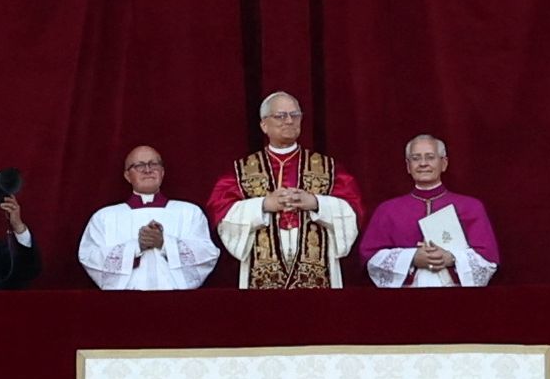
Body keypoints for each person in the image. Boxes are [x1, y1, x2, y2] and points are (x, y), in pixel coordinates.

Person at [209, 93, 359, 290]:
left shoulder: (328, 168)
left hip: (317, 266)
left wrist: (316, 203)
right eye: (280, 116)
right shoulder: (242, 170)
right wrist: (263, 205)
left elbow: (353, 210)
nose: (289, 121)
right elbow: (221, 213)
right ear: (264, 125)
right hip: (262, 266)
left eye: (295, 115)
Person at [361, 133, 503, 289]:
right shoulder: (387, 210)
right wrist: (412, 257)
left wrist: (451, 258)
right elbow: (371, 258)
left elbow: (487, 259)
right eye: (416, 158)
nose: (423, 163)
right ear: (408, 166)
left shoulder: (471, 207)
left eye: (430, 157)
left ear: (444, 163)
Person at [75, 146, 221, 292]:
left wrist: (164, 243)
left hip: (176, 299)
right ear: (127, 175)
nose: (147, 170)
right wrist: (136, 247)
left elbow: (208, 254)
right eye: (139, 165)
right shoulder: (105, 217)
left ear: (162, 172)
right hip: (124, 300)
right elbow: (89, 257)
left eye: (153, 164)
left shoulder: (189, 212)